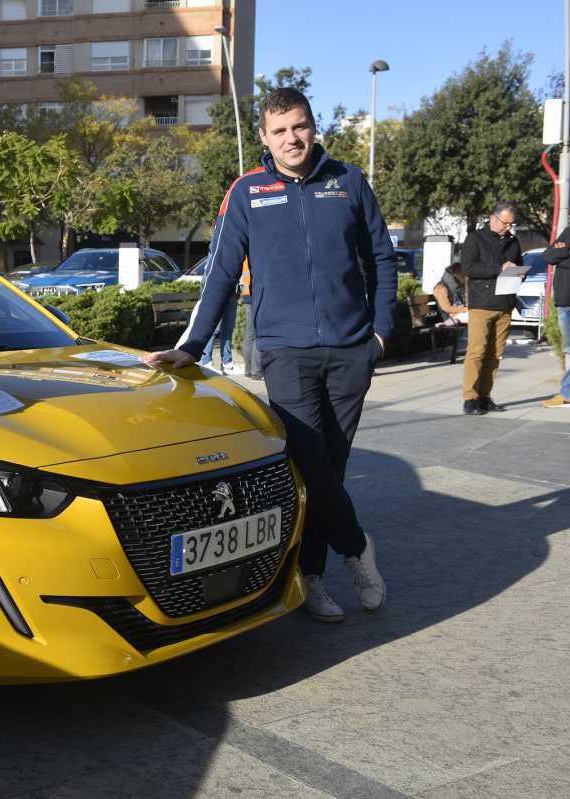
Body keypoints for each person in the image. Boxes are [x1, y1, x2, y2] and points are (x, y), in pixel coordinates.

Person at [142, 88, 393, 623]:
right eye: (279, 131)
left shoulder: (348, 182)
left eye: (299, 127)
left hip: (351, 352)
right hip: (286, 352)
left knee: (334, 467)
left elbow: (382, 260)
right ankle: (355, 550)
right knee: (310, 462)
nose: (291, 139)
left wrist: (381, 335)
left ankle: (312, 575)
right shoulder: (249, 192)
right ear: (264, 137)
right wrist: (191, 345)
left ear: (313, 126)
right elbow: (221, 275)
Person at [460, 201, 521, 415]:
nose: (509, 228)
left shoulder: (513, 241)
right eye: (505, 223)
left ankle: (484, 396)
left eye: (511, 224)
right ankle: (470, 398)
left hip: (505, 304)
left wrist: (521, 272)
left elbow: (517, 263)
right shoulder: (475, 238)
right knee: (477, 352)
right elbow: (467, 268)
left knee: (496, 354)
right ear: (493, 218)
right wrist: (499, 268)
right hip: (482, 304)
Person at [541, 227, 570, 408]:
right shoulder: (568, 231)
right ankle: (567, 392)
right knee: (569, 349)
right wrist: (563, 250)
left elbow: (557, 255)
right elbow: (548, 256)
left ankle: (566, 391)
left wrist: (563, 250)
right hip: (564, 301)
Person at [199, 288, 237, 373]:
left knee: (227, 329)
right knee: (213, 330)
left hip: (232, 294)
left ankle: (227, 362)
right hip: (217, 293)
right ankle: (206, 362)